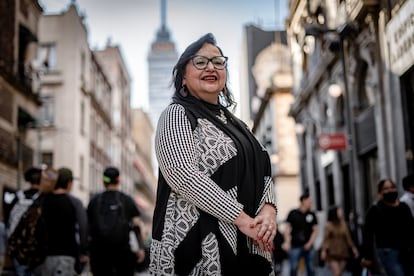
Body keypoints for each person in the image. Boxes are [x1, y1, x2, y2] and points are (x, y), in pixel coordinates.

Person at [149, 33, 278, 276]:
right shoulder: (176, 114)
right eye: (200, 62)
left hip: (249, 244)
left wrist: (269, 211)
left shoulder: (238, 125)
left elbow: (264, 170)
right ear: (183, 77)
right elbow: (182, 175)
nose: (211, 67)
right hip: (197, 248)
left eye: (218, 62)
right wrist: (243, 220)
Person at [87, 166, 145, 276]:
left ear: (103, 181)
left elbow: (88, 228)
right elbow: (136, 225)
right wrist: (140, 248)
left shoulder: (94, 201)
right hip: (123, 253)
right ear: (119, 180)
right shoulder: (127, 200)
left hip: (99, 254)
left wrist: (87, 253)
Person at [38, 167, 87, 275]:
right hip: (67, 255)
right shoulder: (74, 202)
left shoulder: (43, 200)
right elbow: (83, 227)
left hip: (44, 256)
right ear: (69, 183)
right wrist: (83, 250)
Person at [361, 179, 414, 276]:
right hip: (388, 251)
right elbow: (367, 234)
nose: (390, 191)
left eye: (392, 187)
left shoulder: (403, 207)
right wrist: (367, 257)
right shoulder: (374, 210)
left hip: (407, 251)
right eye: (386, 189)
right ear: (380, 193)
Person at [4, 167, 42, 276]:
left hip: (18, 248)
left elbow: (8, 221)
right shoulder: (42, 198)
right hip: (36, 249)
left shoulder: (18, 196)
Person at [283, 192, 318, 276]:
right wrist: (287, 242)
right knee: (293, 269)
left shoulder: (312, 214)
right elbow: (287, 229)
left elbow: (315, 230)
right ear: (303, 201)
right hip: (295, 246)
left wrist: (309, 243)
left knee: (311, 269)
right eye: (309, 201)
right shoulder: (293, 213)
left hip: (308, 246)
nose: (311, 203)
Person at [320, 206, 359, 276]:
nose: (341, 213)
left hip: (343, 252)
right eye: (339, 211)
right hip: (332, 253)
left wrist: (353, 248)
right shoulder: (328, 225)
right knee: (337, 273)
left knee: (340, 273)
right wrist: (324, 250)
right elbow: (326, 239)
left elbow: (348, 238)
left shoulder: (343, 224)